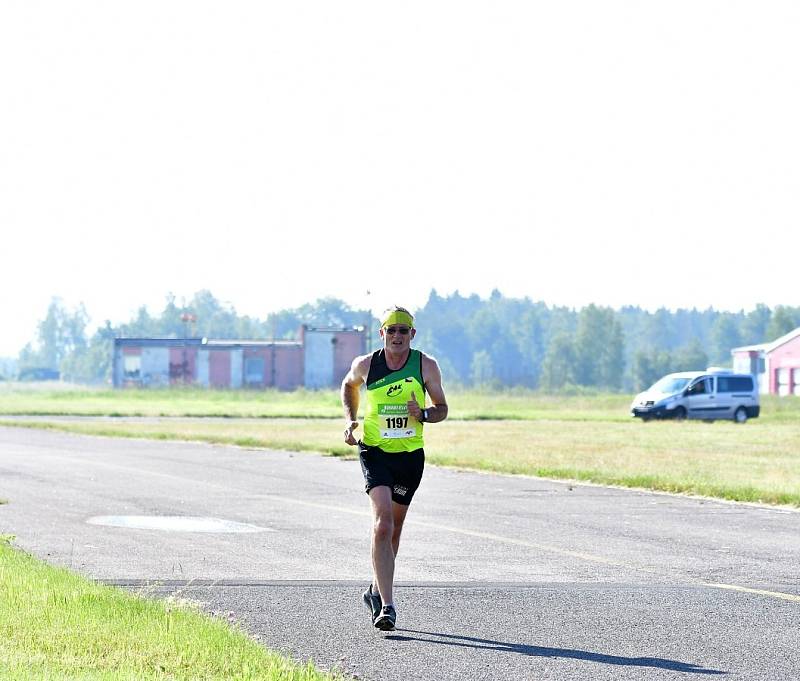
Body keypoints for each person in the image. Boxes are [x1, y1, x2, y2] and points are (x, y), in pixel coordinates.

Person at [340, 306, 448, 631]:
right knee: (383, 525)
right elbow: (349, 386)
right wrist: (351, 421)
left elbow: (442, 409)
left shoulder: (425, 366)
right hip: (374, 451)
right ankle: (387, 606)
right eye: (392, 330)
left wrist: (424, 414)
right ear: (382, 333)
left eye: (404, 331)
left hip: (409, 456)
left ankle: (375, 590)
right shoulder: (366, 364)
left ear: (412, 335)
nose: (397, 336)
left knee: (395, 529)